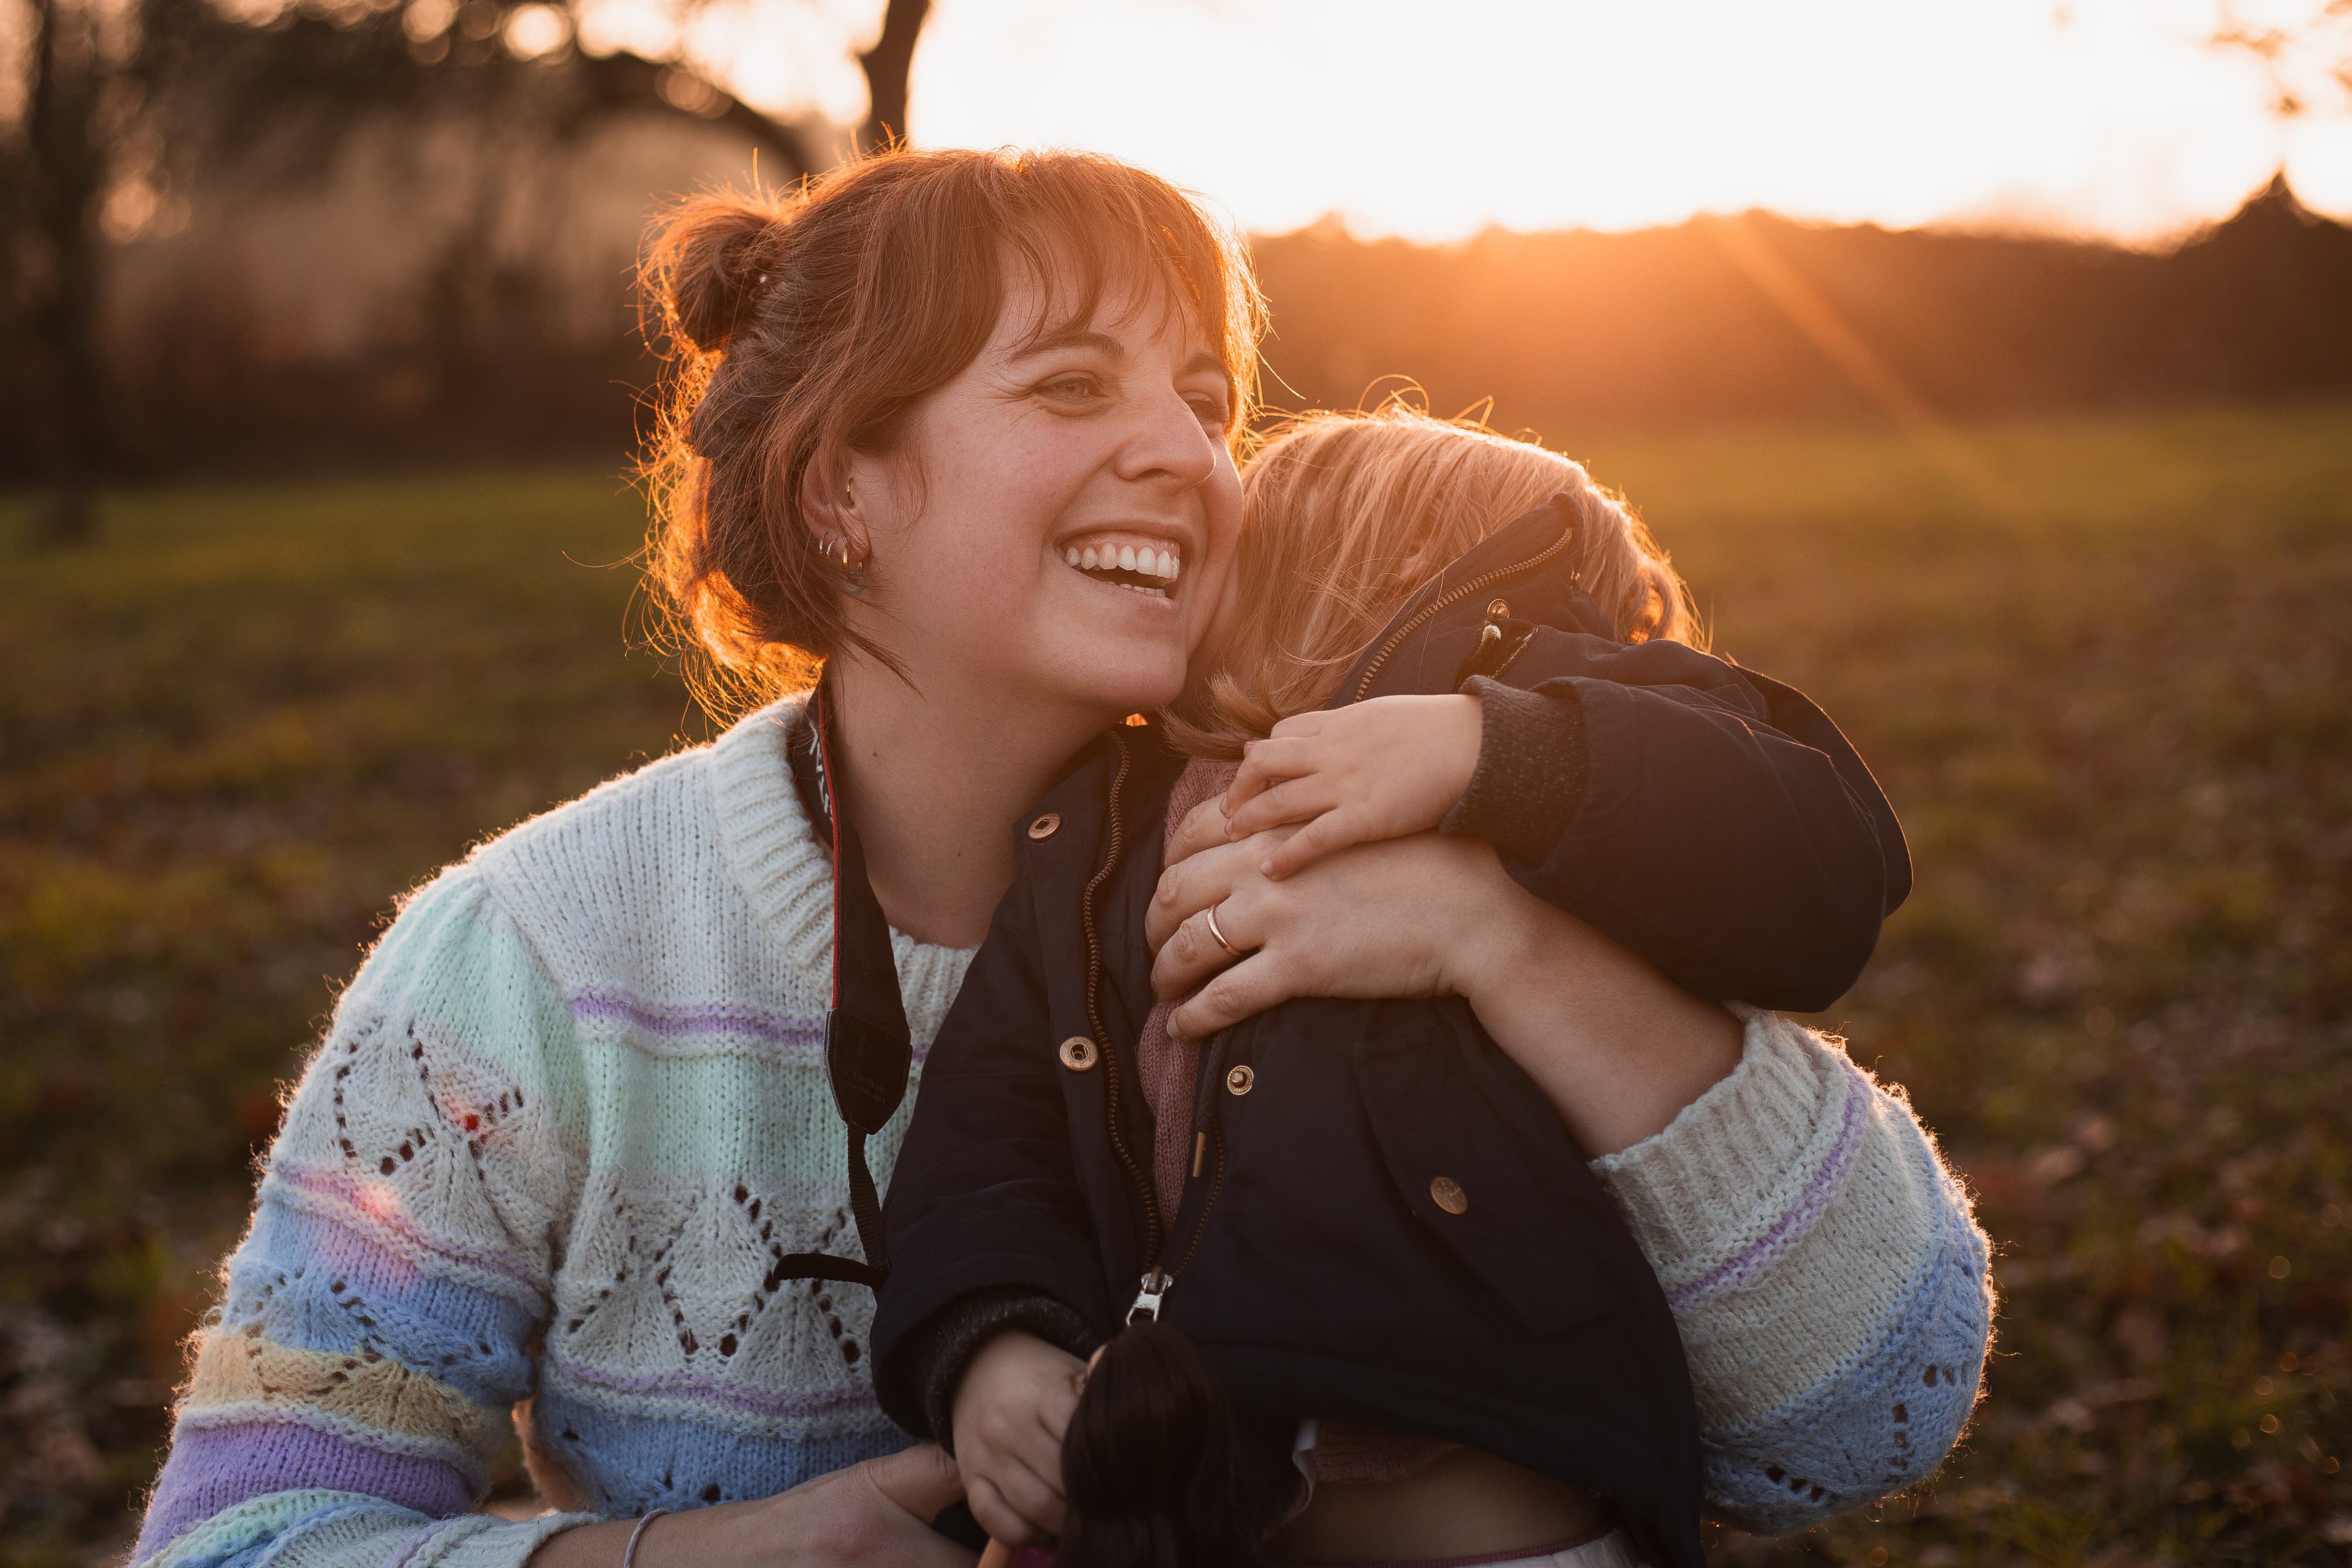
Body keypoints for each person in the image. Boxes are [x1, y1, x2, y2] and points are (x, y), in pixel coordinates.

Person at [129, 149, 1988, 1568]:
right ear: (840, 490)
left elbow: (1864, 1414)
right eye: (1074, 387)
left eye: (1202, 393)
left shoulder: (1381, 820)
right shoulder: (529, 962)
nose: (1185, 454)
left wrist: (1500, 942)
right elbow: (247, 1540)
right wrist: (709, 1555)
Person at [871, 407, 1977, 1568]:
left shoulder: (1537, 721)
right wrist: (991, 1347)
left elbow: (1819, 862)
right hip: (1177, 1502)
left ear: (1401, 562)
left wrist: (1488, 750)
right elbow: (989, 1132)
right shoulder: (1099, 828)